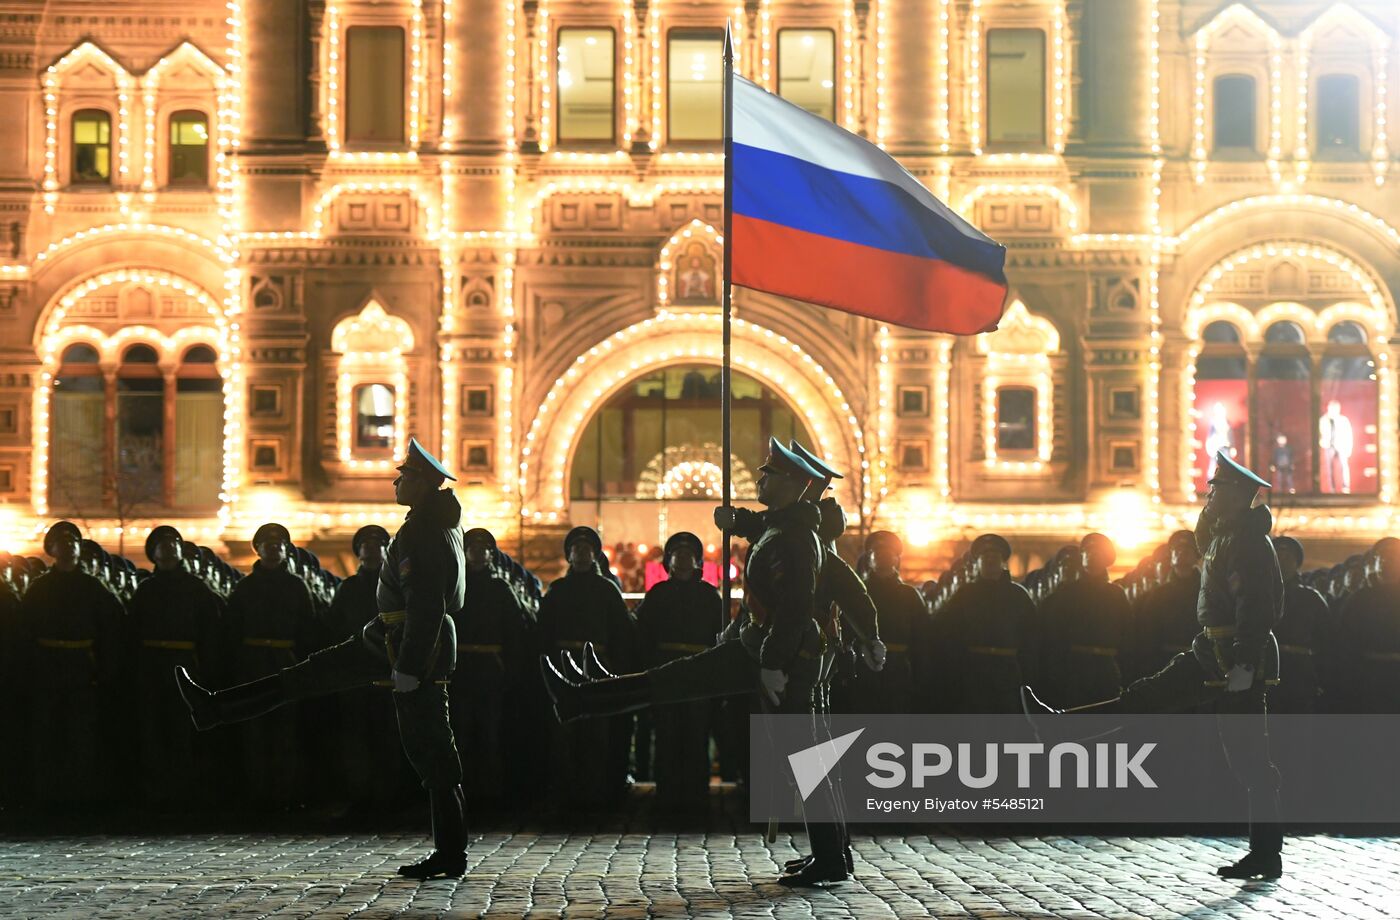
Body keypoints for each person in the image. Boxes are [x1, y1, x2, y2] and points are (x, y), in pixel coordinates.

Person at [539, 437, 848, 887]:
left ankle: (584, 698)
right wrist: (738, 521)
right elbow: (765, 534)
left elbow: (796, 607)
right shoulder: (788, 528)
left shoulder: (797, 537)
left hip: (771, 658)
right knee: (682, 684)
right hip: (759, 650)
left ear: (791, 485)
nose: (759, 478)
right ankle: (832, 854)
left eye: (767, 474)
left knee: (804, 757)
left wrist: (773, 663)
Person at [175, 438, 469, 879]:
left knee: (432, 752)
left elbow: (427, 603)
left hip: (410, 646)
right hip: (392, 637)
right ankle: (214, 706)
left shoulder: (423, 531)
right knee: (308, 677)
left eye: (403, 475)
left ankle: (451, 853)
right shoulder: (434, 523)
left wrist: (408, 667)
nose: (395, 480)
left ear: (423, 483)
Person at [1023, 450, 1285, 880]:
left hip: (1237, 658)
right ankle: (1060, 727)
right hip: (1211, 651)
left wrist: (1243, 663)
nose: (1209, 493)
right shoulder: (1228, 536)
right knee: (1145, 696)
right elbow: (1205, 541)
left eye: (1216, 488)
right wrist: (1211, 513)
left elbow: (1255, 610)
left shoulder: (1249, 544)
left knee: (1250, 761)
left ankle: (1267, 853)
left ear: (1238, 495)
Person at [18, 522, 126, 808]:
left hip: (81, 669)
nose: (68, 546)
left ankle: (79, 795)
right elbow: (25, 632)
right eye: (61, 542)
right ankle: (47, 795)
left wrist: (104, 670)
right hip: (47, 668)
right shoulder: (39, 588)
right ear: (51, 549)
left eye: (73, 541)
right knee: (46, 733)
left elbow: (110, 630)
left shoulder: (94, 587)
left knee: (81, 735)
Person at [536, 525, 638, 809]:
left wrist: (616, 670)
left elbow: (621, 634)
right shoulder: (558, 591)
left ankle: (595, 793)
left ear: (594, 555)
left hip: (598, 668)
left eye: (586, 549)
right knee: (564, 732)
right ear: (569, 555)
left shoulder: (607, 591)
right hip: (563, 667)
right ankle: (565, 792)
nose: (580, 554)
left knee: (596, 733)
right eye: (576, 549)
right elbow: (543, 633)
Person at [220, 521, 321, 807]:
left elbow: (307, 630)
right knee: (255, 732)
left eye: (279, 546)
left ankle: (285, 794)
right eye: (268, 545)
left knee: (285, 731)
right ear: (259, 550)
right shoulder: (245, 587)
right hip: (252, 666)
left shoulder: (297, 587)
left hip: (285, 663)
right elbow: (232, 630)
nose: (274, 550)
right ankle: (257, 795)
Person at [128, 525, 224, 807]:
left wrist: (206, 670)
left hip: (185, 666)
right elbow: (132, 632)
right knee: (152, 729)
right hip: (152, 668)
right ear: (153, 553)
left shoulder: (197, 589)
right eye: (162, 544)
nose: (169, 548)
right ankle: (155, 793)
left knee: (183, 730)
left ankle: (184, 793)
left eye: (174, 543)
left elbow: (210, 633)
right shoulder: (146, 590)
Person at [323, 524, 411, 812]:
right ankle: (359, 796)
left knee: (389, 736)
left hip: (388, 671)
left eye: (377, 544)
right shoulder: (348, 588)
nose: (371, 549)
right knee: (355, 738)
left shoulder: (397, 589)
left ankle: (388, 797)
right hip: (356, 672)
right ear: (358, 552)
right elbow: (334, 629)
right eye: (366, 545)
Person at [634, 531, 723, 812]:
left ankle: (696, 793)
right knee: (668, 734)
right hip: (666, 673)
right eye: (678, 555)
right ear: (669, 562)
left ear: (697, 562)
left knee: (697, 735)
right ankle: (668, 793)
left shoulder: (710, 597)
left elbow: (720, 637)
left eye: (688, 556)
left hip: (699, 674)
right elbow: (643, 636)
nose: (683, 560)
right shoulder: (657, 595)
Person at [451, 527, 532, 806]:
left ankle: (490, 792)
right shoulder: (454, 587)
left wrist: (510, 670)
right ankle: (461, 792)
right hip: (460, 670)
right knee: (460, 733)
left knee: (489, 732)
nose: (476, 552)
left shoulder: (500, 589)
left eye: (482, 548)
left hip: (489, 670)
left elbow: (514, 633)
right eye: (472, 547)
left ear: (489, 554)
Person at [928, 534, 1035, 713]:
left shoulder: (1019, 596)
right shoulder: (964, 595)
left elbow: (1032, 639)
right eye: (985, 556)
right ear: (977, 563)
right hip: (973, 674)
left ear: (1003, 561)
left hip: (1008, 675)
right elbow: (947, 633)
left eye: (995, 556)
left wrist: (1027, 675)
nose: (990, 560)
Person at [1037, 533, 1130, 708]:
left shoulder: (1116, 595)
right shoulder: (1065, 594)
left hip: (1106, 670)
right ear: (1082, 557)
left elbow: (1128, 635)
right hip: (1074, 670)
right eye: (1088, 551)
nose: (1093, 556)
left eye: (1098, 552)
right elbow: (1054, 636)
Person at [842, 531, 923, 714]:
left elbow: (922, 639)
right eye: (877, 554)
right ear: (869, 558)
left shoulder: (909, 596)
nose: (882, 558)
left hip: (899, 672)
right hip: (862, 671)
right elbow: (844, 630)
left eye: (888, 554)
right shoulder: (856, 592)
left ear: (896, 559)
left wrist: (920, 678)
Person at [1270, 536, 1326, 714]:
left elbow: (1326, 640)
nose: (1282, 562)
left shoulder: (1311, 599)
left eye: (1288, 558)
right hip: (1264, 669)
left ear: (1297, 563)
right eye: (1277, 557)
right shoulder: (1255, 597)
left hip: (1299, 673)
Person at [1319, 399, 1354, 494]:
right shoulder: (1323, 420)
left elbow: (1349, 434)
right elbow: (1319, 433)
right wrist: (1322, 442)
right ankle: (1332, 489)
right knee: (1329, 468)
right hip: (1328, 445)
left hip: (1341, 445)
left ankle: (1345, 487)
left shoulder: (1343, 420)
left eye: (1335, 408)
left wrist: (1349, 448)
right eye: (1331, 408)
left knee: (1344, 466)